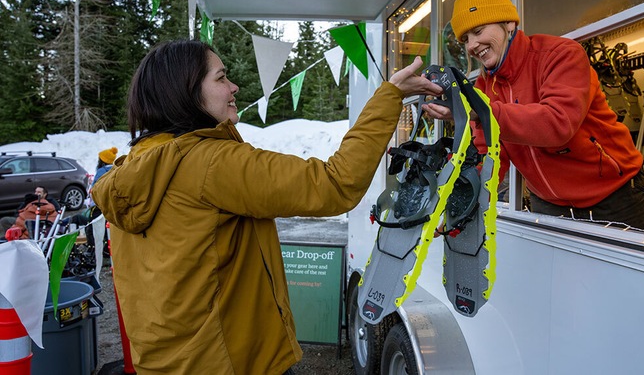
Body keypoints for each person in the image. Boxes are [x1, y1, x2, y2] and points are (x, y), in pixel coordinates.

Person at [91, 39, 442, 375]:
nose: (234, 88)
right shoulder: (210, 163)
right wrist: (390, 96)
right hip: (231, 363)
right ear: (185, 92)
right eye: (221, 77)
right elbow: (336, 183)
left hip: (167, 362)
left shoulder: (135, 166)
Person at [423, 0, 644, 232]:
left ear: (510, 23)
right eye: (465, 39)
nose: (471, 45)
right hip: (548, 205)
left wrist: (481, 110)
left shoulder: (561, 55)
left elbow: (558, 123)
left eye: (478, 31)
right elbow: (487, 156)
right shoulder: (483, 88)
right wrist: (459, 207)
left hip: (615, 198)